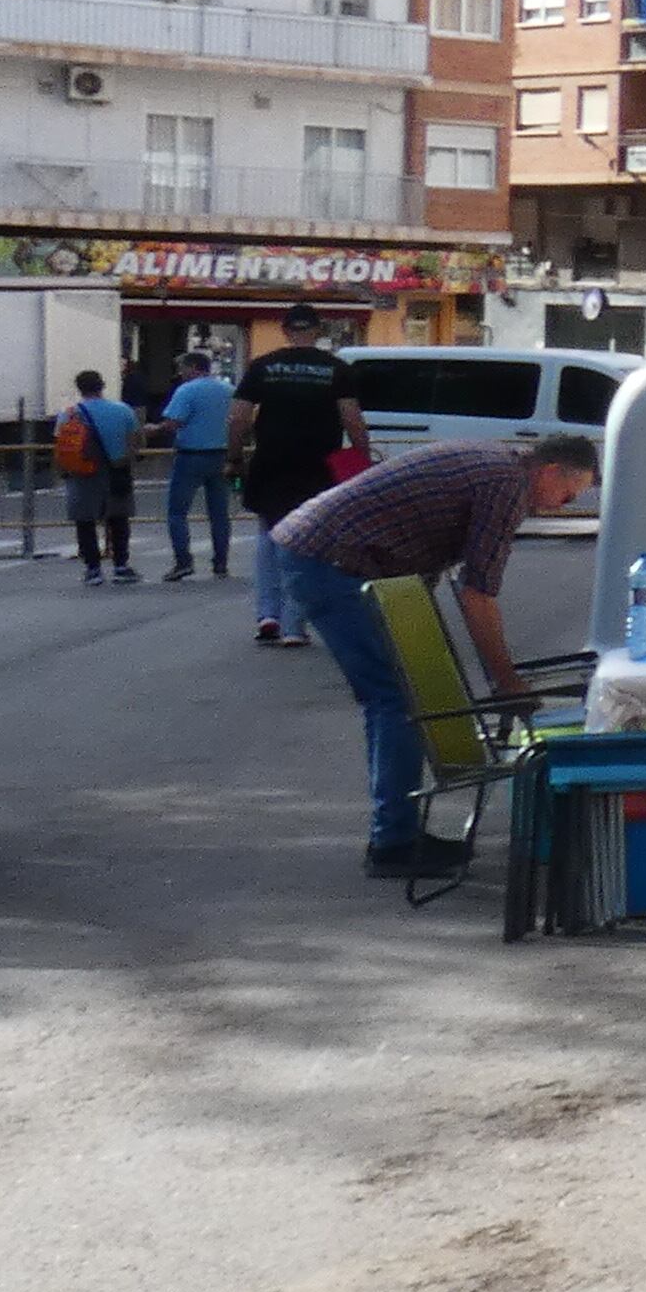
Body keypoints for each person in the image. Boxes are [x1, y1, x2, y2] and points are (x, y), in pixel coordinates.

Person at [269, 428, 607, 872]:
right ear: (547, 470)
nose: (561, 506)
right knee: (395, 698)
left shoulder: (501, 465)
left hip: (331, 553)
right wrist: (506, 681)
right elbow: (478, 593)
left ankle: (397, 831)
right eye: (566, 493)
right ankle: (392, 844)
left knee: (403, 694)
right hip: (329, 559)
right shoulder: (506, 485)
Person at [234, 306, 371, 650]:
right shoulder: (335, 369)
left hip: (271, 462)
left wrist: (233, 456)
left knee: (269, 536)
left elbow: (238, 417)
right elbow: (352, 419)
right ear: (317, 330)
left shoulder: (263, 367)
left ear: (285, 330)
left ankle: (268, 615)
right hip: (318, 466)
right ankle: (295, 624)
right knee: (309, 542)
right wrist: (361, 458)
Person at [58, 367, 145, 584]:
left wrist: (64, 469)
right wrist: (127, 460)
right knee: (118, 519)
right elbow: (136, 441)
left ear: (79, 389)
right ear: (103, 386)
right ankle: (121, 565)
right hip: (117, 468)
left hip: (83, 471)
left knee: (85, 520)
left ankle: (93, 569)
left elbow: (61, 445)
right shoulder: (123, 410)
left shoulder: (69, 413)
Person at [158, 349, 237, 583]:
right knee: (220, 513)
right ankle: (220, 563)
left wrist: (155, 428)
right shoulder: (229, 390)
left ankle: (183, 562)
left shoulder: (186, 390)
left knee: (177, 512)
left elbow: (174, 422)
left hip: (191, 455)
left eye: (182, 368)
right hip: (221, 454)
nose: (180, 374)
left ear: (193, 367)